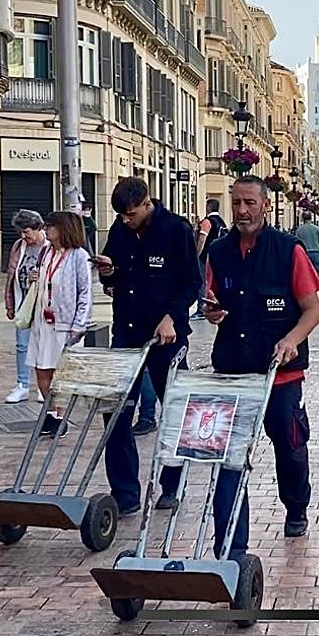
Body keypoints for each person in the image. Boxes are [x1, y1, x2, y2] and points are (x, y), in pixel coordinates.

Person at [204, 176, 319, 554]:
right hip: (233, 372)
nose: (242, 210)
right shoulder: (219, 252)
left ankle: (296, 505)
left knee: (288, 446)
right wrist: (212, 311)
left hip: (280, 375)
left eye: (250, 203)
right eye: (236, 202)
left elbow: (312, 311)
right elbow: (211, 299)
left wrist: (291, 339)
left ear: (265, 206)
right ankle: (232, 546)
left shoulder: (289, 251)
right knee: (230, 458)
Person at [92, 178, 201, 515]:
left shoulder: (175, 230)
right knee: (116, 412)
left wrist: (172, 316)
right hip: (127, 331)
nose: (127, 220)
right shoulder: (120, 230)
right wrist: (108, 272)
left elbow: (192, 282)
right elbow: (114, 277)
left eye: (131, 213)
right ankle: (125, 493)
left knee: (174, 410)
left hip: (167, 336)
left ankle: (171, 485)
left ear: (146, 202)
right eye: (122, 216)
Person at [29, 212, 92, 438]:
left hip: (65, 323)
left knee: (61, 371)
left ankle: (59, 415)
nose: (46, 230)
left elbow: (85, 292)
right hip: (43, 320)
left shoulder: (79, 256)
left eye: (51, 226)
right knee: (41, 367)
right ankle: (49, 409)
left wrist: (79, 323)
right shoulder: (46, 252)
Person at [3, 209, 49, 404]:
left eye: (27, 231)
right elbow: (11, 274)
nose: (24, 236)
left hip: (43, 301)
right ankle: (22, 384)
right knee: (22, 344)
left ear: (38, 228)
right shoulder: (18, 246)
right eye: (21, 232)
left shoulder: (49, 246)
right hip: (23, 299)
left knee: (43, 344)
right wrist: (10, 302)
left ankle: (43, 385)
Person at [193, 199, 229, 319]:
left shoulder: (208, 221)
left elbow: (202, 238)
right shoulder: (222, 222)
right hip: (220, 257)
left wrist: (197, 254)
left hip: (205, 257)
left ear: (208, 207)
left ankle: (201, 308)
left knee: (202, 281)